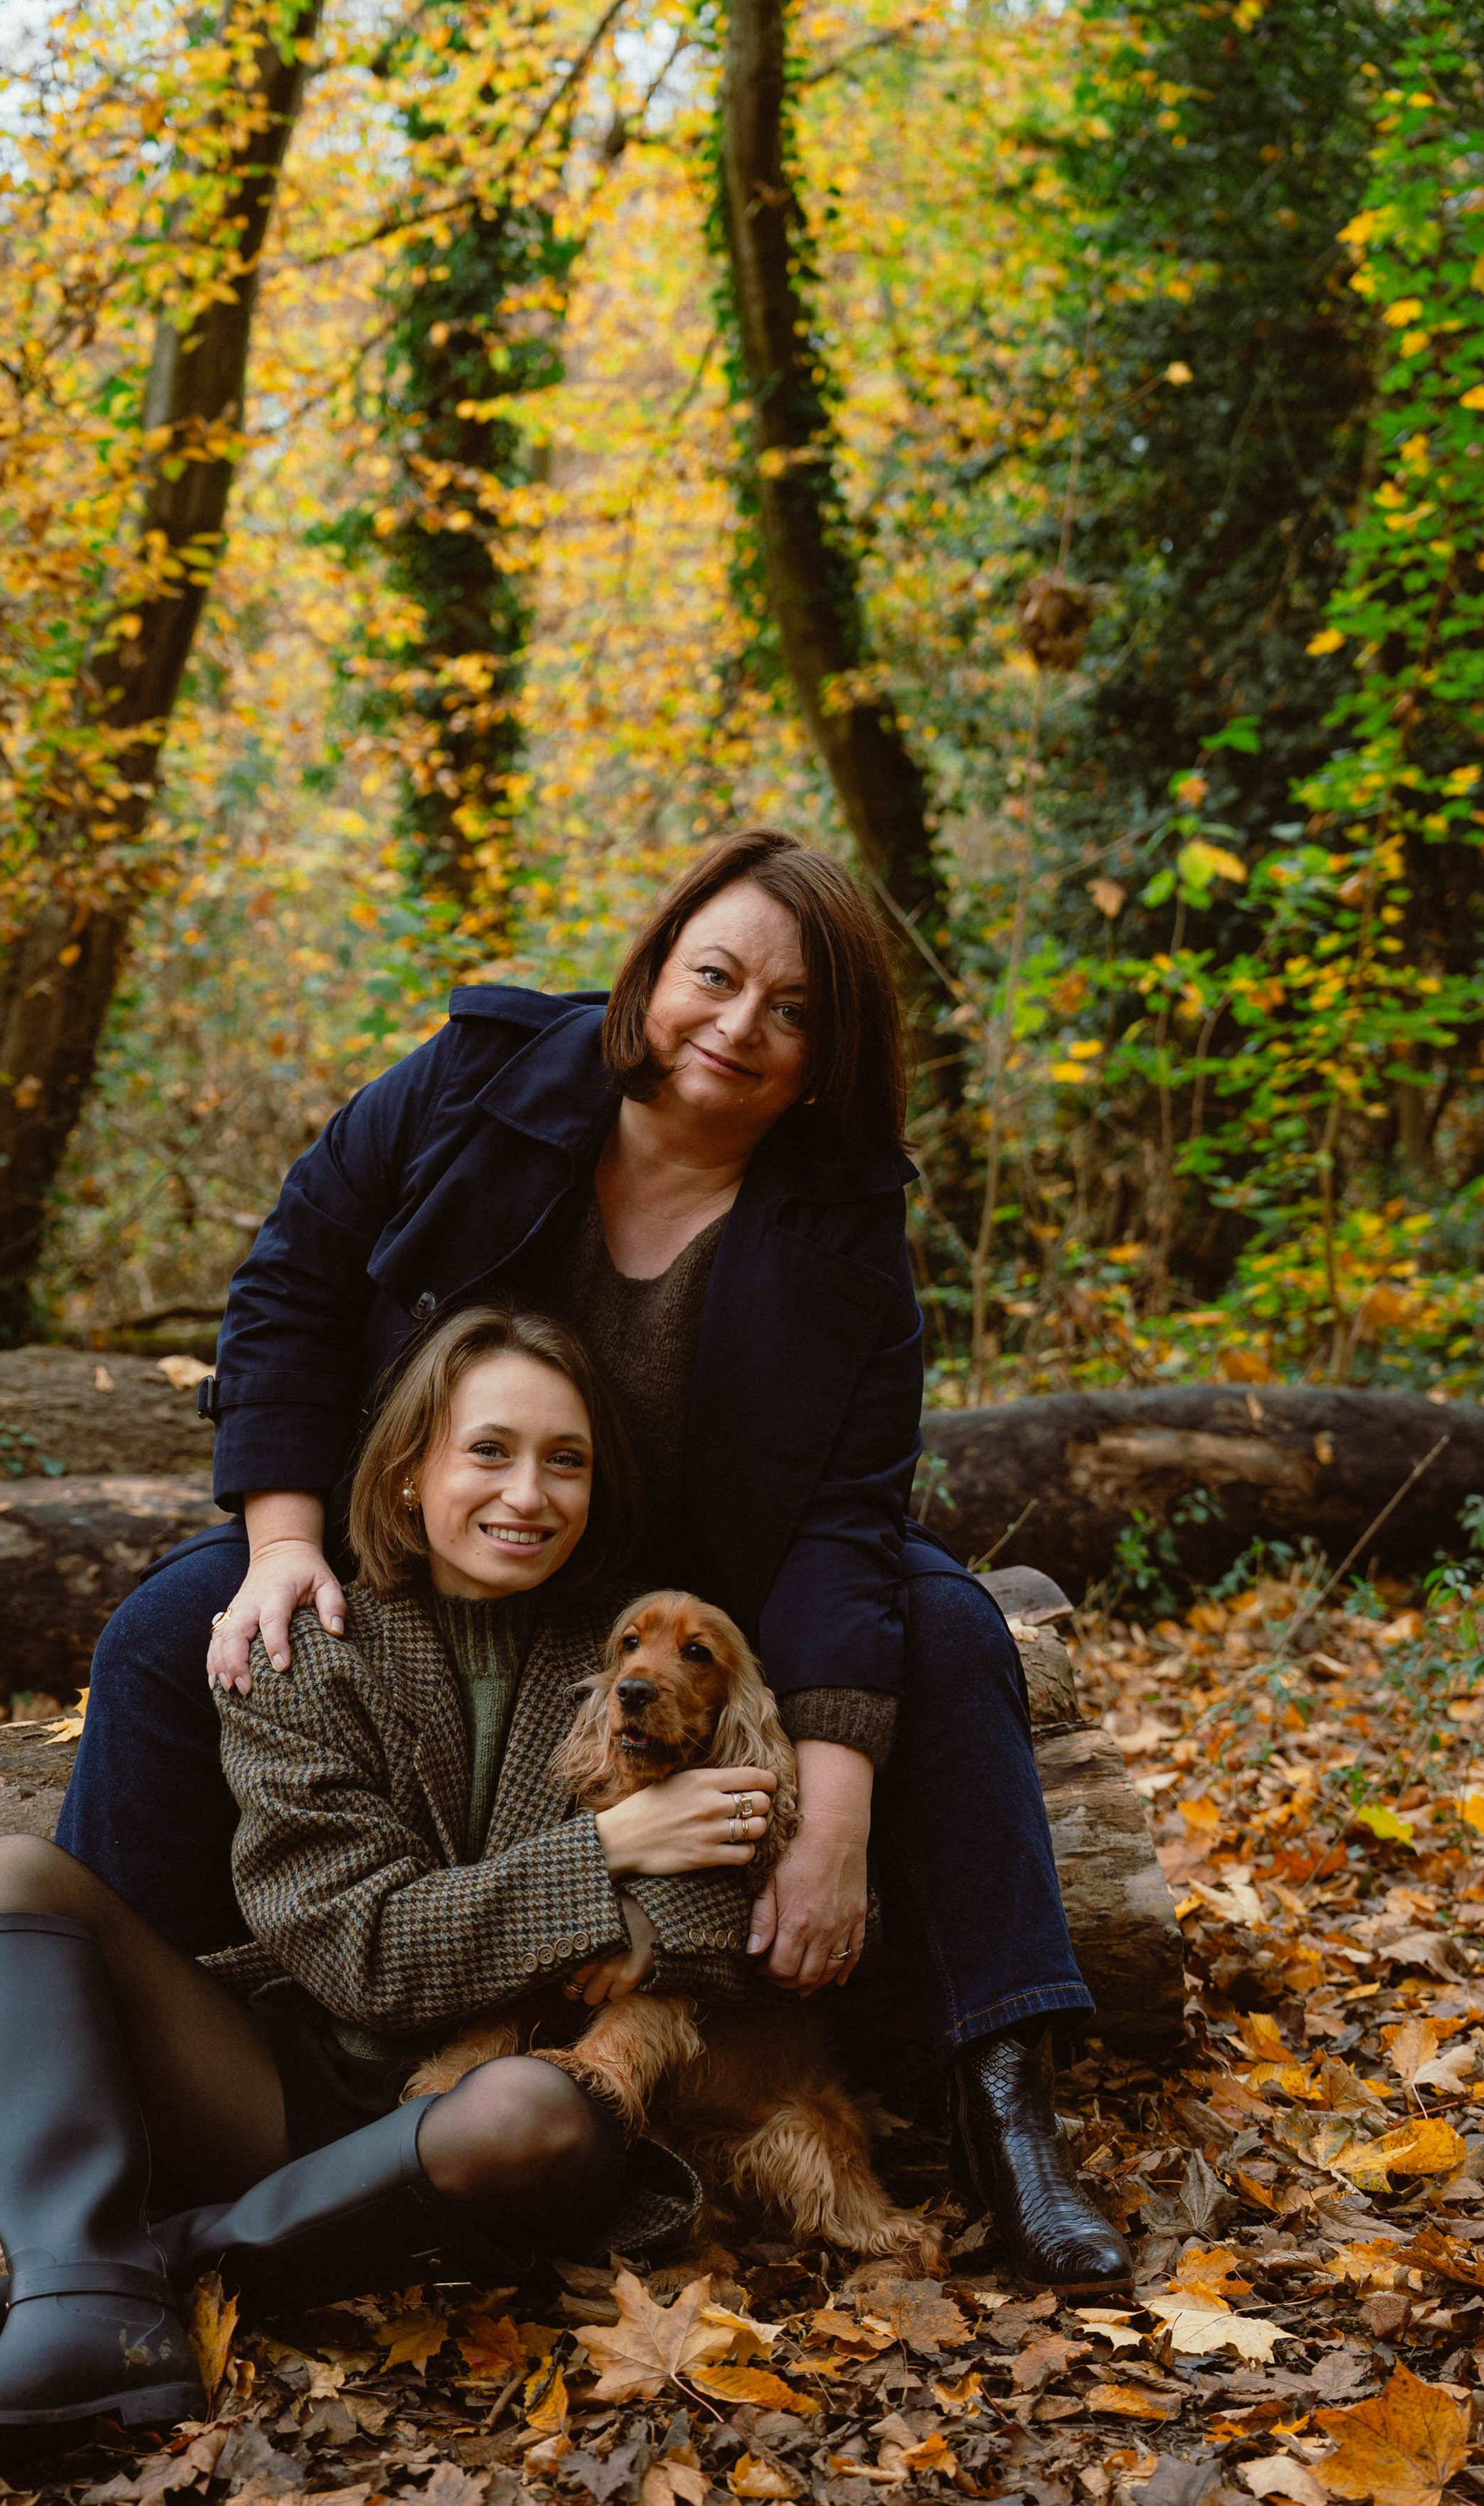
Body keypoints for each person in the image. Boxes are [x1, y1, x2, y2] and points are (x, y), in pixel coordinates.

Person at [57, 825, 1131, 2292]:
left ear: (830, 1055)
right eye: (716, 977)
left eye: (795, 1010)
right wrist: (286, 1539)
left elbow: (844, 1515)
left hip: (699, 1579)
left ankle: (1007, 2110)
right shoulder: (480, 1079)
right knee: (169, 1629)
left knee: (945, 1626)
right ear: (654, 967)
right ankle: (126, 2089)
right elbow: (290, 1281)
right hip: (446, 1523)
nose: (738, 1027)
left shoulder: (844, 1221)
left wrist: (830, 1812)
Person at [0, 1309, 772, 2476]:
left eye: (567, 1461)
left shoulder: (639, 1648)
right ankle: (84, 2300)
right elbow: (364, 1954)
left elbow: (729, 1874)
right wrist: (609, 1854)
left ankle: (109, 2288)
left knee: (530, 2111)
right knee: (2, 1871)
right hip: (296, 2082)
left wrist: (651, 1917)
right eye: (489, 1451)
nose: (530, 1494)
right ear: (407, 1473)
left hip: (494, 2123)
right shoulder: (301, 1639)